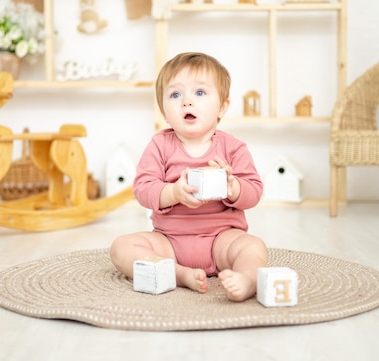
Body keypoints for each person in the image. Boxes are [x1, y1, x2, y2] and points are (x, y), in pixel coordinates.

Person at [110, 52, 267, 302]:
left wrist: (232, 187)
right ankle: (177, 273)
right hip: (169, 243)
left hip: (221, 239)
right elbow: (142, 188)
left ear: (223, 107)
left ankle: (247, 279)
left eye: (200, 93)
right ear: (164, 109)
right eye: (175, 94)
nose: (187, 102)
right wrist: (173, 192)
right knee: (121, 248)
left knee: (253, 247)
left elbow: (254, 192)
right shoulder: (160, 145)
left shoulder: (233, 148)